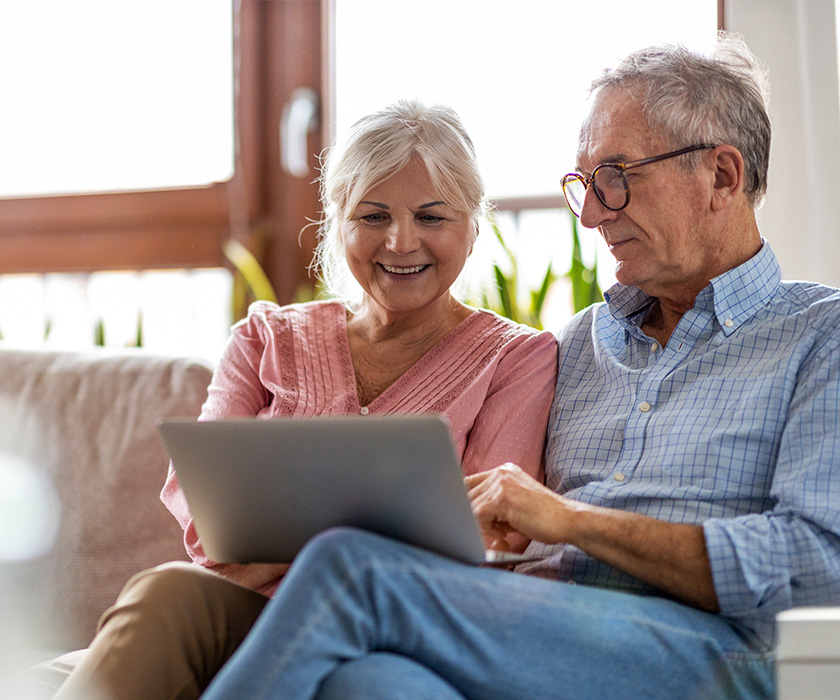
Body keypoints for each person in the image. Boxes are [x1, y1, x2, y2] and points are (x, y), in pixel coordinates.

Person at [196, 33, 840, 700]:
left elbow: (819, 561)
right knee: (368, 683)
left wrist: (571, 521)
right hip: (534, 631)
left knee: (349, 567)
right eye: (585, 185)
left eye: (617, 178)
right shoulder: (579, 344)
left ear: (721, 176)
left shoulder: (822, 337)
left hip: (705, 650)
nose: (591, 214)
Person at [36, 100, 558, 700]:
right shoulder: (264, 338)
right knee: (157, 600)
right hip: (241, 614)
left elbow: (488, 537)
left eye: (432, 216)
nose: (401, 240)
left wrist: (287, 554)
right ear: (339, 221)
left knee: (167, 595)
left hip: (386, 632)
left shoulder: (516, 359)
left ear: (473, 222)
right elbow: (209, 515)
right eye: (374, 215)